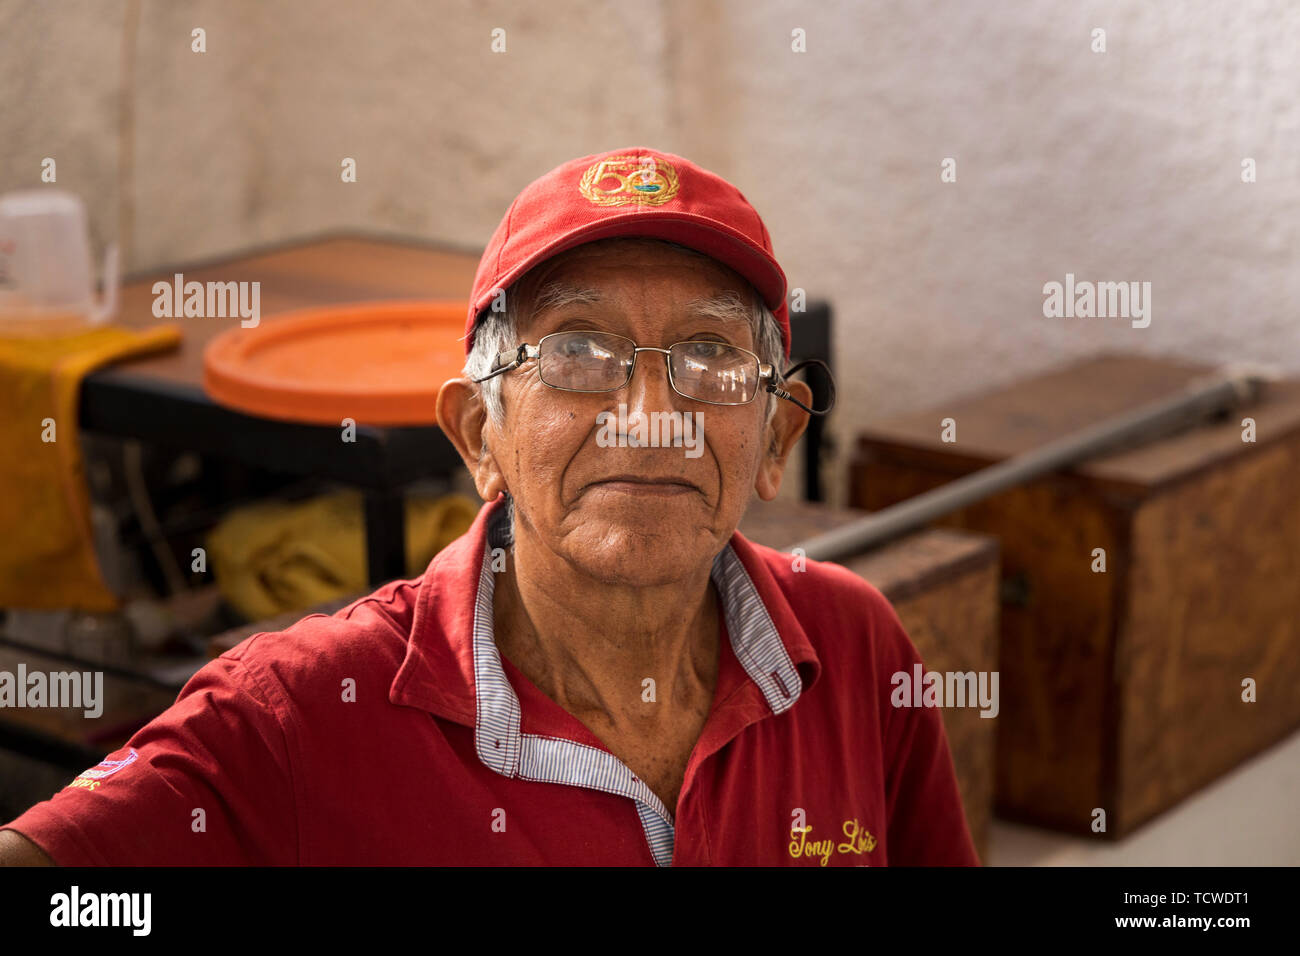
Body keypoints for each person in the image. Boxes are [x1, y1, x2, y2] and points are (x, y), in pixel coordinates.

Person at [0, 147, 978, 865]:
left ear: (775, 438)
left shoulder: (853, 645)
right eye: (575, 351)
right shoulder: (298, 710)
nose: (647, 417)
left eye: (711, 355)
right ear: (478, 435)